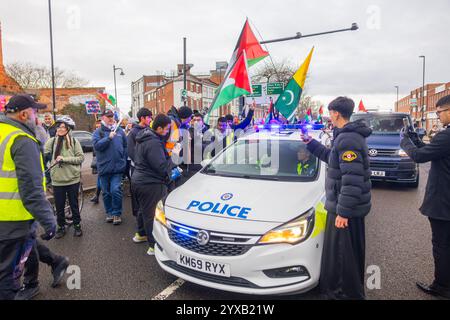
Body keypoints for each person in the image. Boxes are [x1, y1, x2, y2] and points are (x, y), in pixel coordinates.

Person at [301, 97, 372, 300]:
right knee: (345, 255)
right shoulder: (345, 136)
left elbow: (352, 180)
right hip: (344, 206)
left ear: (336, 114)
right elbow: (334, 161)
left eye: (330, 112)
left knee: (343, 257)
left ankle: (343, 294)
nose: (329, 116)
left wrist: (343, 212)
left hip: (344, 208)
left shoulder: (348, 138)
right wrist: (312, 144)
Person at [0, 95, 57, 300]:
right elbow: (31, 190)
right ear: (24, 114)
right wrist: (50, 221)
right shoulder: (21, 139)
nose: (37, 117)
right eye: (35, 112)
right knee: (8, 278)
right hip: (13, 221)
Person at [400, 95, 450, 299]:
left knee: (442, 245)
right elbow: (431, 151)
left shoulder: (447, 136)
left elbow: (420, 157)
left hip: (444, 202)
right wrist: (416, 140)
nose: (437, 116)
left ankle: (442, 286)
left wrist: (405, 142)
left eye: (439, 112)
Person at [132, 114, 176, 256]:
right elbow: (161, 166)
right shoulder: (154, 142)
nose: (168, 131)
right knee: (152, 214)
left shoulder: (144, 136)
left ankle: (141, 233)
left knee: (143, 210)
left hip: (138, 179)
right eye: (167, 129)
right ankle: (153, 245)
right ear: (158, 128)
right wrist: (172, 157)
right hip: (151, 183)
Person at [44, 116, 85, 238]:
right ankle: (61, 227)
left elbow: (80, 158)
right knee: (59, 206)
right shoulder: (51, 142)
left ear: (68, 129)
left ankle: (77, 226)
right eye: (59, 126)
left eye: (63, 127)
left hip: (72, 179)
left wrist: (64, 159)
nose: (60, 129)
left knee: (74, 204)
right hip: (57, 180)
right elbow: (44, 156)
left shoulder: (73, 142)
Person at [92, 109, 128, 226]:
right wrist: (109, 138)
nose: (111, 119)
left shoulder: (120, 131)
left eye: (112, 116)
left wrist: (123, 159)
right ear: (103, 118)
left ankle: (117, 213)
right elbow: (97, 146)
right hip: (104, 168)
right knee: (106, 192)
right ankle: (109, 212)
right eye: (108, 117)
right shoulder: (98, 132)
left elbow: (125, 146)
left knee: (115, 190)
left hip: (117, 168)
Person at [127, 108, 153, 243]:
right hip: (137, 169)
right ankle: (139, 223)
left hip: (147, 170)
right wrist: (141, 164)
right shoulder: (133, 133)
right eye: (149, 117)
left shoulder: (149, 130)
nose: (150, 119)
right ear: (142, 118)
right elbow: (131, 151)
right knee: (138, 198)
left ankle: (142, 223)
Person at [90, 119, 102, 204]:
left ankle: (97, 195)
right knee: (99, 178)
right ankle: (96, 195)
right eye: (96, 127)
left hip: (105, 161)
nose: (97, 128)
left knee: (101, 179)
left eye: (99, 126)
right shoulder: (94, 135)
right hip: (98, 160)